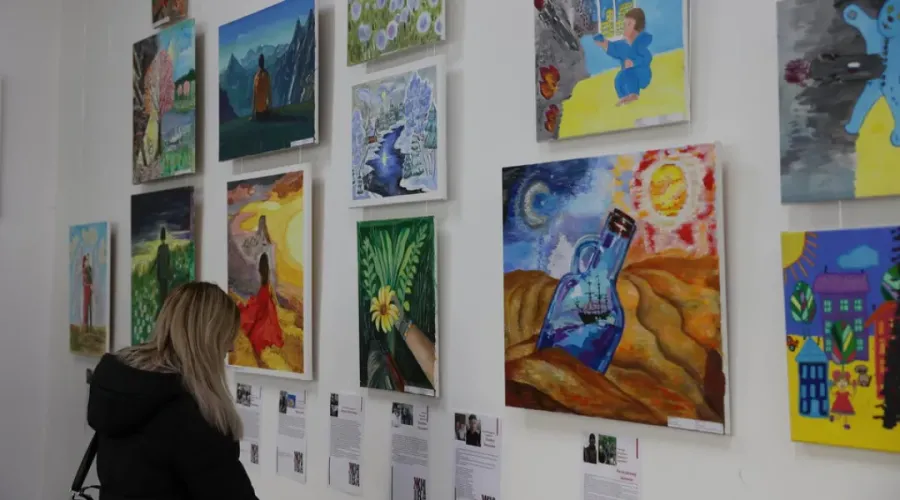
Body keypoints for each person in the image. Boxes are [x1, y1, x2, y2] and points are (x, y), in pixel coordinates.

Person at [87, 282, 259, 500]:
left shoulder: (119, 388)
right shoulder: (192, 414)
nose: (231, 347)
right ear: (208, 338)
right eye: (228, 335)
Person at [593, 8, 653, 106]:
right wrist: (603, 43)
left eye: (629, 24)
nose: (625, 27)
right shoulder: (623, 45)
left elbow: (647, 58)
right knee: (619, 78)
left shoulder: (640, 45)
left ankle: (633, 95)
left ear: (638, 28)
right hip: (626, 73)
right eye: (625, 24)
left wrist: (634, 63)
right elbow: (614, 48)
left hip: (642, 74)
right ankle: (624, 97)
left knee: (630, 74)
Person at [237, 253, 285, 366]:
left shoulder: (264, 291)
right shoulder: (267, 289)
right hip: (268, 330)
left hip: (262, 334)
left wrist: (242, 307)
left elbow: (253, 314)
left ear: (260, 269)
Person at [153, 227, 171, 313]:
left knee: (162, 292)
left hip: (161, 273)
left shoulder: (160, 248)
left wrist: (152, 268)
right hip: (165, 273)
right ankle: (166, 308)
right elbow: (168, 260)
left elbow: (157, 260)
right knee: (165, 291)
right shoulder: (167, 247)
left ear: (160, 237)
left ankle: (163, 309)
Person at [252, 54, 272, 121]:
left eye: (261, 61)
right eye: (261, 61)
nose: (261, 62)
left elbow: (254, 95)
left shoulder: (257, 76)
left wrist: (253, 112)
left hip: (260, 111)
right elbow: (269, 93)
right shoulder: (264, 75)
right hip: (262, 111)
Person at [81, 254, 93, 332]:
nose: (88, 262)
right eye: (87, 260)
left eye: (88, 260)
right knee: (86, 305)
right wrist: (90, 285)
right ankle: (85, 325)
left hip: (90, 288)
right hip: (87, 288)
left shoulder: (89, 269)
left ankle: (89, 326)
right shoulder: (85, 270)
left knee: (90, 305)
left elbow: (91, 279)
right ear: (85, 262)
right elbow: (84, 281)